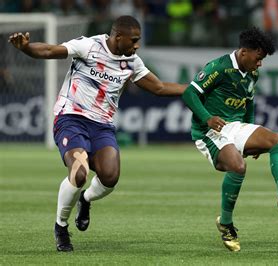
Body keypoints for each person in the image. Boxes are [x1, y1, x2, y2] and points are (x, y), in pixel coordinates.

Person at [8, 15, 187, 252]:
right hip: (71, 118)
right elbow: (50, 50)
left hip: (102, 125)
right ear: (117, 37)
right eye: (133, 40)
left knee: (110, 176)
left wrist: (196, 89)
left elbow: (160, 88)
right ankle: (61, 226)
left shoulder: (132, 62)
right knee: (79, 172)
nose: (137, 45)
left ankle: (86, 199)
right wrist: (27, 47)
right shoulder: (89, 46)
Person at [181, 27, 278, 252]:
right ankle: (226, 223)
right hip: (209, 131)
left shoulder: (252, 74)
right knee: (238, 167)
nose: (260, 64)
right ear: (244, 52)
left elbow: (249, 102)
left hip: (235, 126)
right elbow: (189, 94)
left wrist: (251, 130)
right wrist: (208, 118)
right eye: (258, 58)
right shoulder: (219, 67)